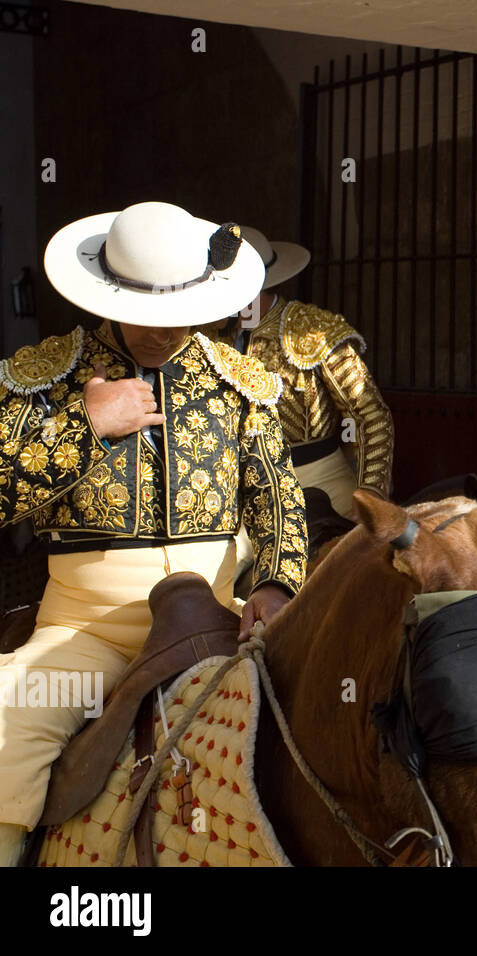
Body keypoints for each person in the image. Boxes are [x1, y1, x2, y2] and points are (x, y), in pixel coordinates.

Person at [0, 201, 308, 866]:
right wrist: (83, 428)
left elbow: (278, 498)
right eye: (145, 314)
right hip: (84, 641)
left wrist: (280, 585)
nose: (161, 335)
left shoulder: (240, 383)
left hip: (222, 625)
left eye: (177, 318)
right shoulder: (46, 380)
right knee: (5, 730)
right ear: (107, 293)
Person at [204, 226, 394, 522]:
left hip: (320, 483)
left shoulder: (312, 329)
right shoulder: (207, 335)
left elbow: (369, 415)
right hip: (230, 484)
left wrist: (369, 492)